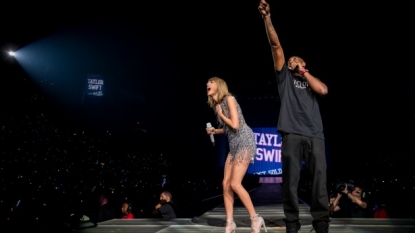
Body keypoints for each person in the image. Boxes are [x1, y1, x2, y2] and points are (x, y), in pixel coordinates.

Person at [258, 1, 330, 232]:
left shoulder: (309, 78)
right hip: (291, 134)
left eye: (295, 60)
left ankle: (321, 223)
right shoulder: (285, 78)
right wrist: (267, 18)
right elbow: (276, 46)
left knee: (319, 181)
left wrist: (304, 72)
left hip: (314, 134)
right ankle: (292, 223)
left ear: (304, 63)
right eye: (290, 62)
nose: (291, 62)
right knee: (290, 183)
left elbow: (323, 91)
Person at [206, 76, 267, 233]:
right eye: (207, 82)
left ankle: (255, 218)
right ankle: (230, 223)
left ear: (219, 86)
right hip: (234, 145)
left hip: (245, 141)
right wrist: (215, 130)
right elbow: (228, 129)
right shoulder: (217, 105)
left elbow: (235, 124)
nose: (207, 84)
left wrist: (220, 115)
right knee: (225, 183)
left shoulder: (230, 99)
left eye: (211, 82)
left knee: (234, 183)